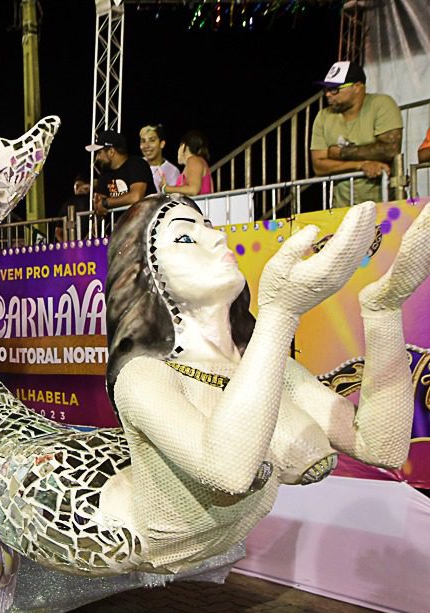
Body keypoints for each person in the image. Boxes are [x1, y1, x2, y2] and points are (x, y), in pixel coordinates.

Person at [102, 193, 425, 571]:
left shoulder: (268, 370)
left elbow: (382, 448)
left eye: (210, 227)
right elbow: (227, 473)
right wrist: (281, 312)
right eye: (186, 237)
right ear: (148, 272)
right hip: (106, 536)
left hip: (205, 550)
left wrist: (385, 310)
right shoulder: (142, 376)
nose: (217, 238)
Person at [310, 60, 402, 208]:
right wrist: (360, 165)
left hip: (386, 207)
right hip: (343, 210)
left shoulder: (381, 104)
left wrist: (341, 153)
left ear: (357, 87)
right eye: (326, 89)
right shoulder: (323, 116)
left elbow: (389, 150)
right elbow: (319, 166)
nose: (328, 94)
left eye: (334, 89)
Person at [88, 130, 155, 221]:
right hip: (120, 226)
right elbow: (99, 200)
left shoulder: (137, 164)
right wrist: (100, 203)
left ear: (111, 152)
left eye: (99, 153)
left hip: (146, 224)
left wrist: (106, 202)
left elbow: (135, 197)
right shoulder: (105, 171)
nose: (97, 158)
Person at [163, 130, 213, 196]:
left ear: (183, 146)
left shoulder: (194, 160)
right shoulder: (197, 161)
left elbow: (193, 190)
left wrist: (166, 189)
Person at [139, 124, 181, 193]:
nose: (146, 146)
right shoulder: (135, 166)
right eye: (143, 141)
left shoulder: (172, 171)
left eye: (152, 140)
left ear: (162, 144)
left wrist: (167, 190)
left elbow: (176, 197)